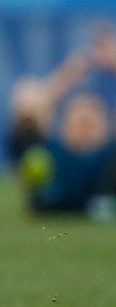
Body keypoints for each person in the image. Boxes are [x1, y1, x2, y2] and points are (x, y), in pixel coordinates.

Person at [9, 25, 116, 216]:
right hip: (49, 208)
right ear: (65, 125)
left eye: (92, 121)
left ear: (106, 125)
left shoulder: (109, 157)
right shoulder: (49, 152)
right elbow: (30, 106)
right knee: (25, 90)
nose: (86, 123)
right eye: (79, 121)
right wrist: (72, 71)